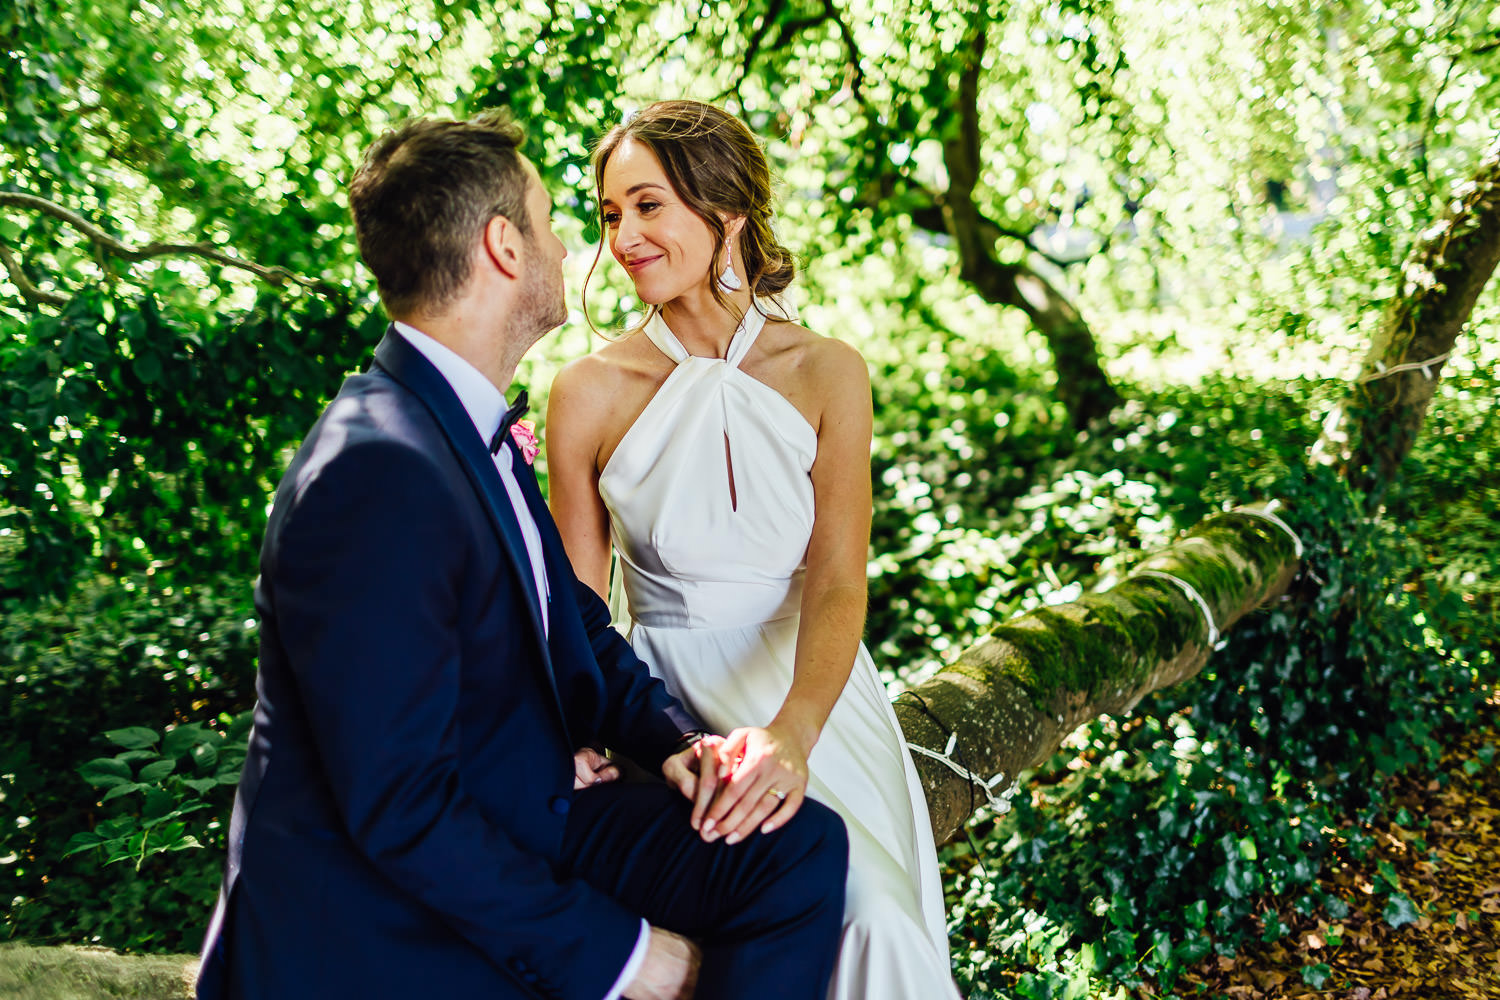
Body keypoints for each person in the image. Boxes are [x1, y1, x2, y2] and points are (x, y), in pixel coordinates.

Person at [194, 109, 849, 1000]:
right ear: (504, 246)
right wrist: (631, 958)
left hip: (519, 792)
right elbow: (402, 808)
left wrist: (673, 744)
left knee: (799, 851)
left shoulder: (459, 424)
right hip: (371, 916)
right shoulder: (375, 469)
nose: (583, 243)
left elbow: (568, 614)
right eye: (553, 220)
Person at [547, 99, 962, 1000]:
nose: (624, 236)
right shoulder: (585, 391)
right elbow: (574, 609)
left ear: (725, 209)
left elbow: (841, 579)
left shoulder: (828, 370)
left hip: (810, 696)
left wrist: (793, 735)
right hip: (666, 705)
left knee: (879, 918)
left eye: (649, 206)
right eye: (612, 213)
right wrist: (585, 732)